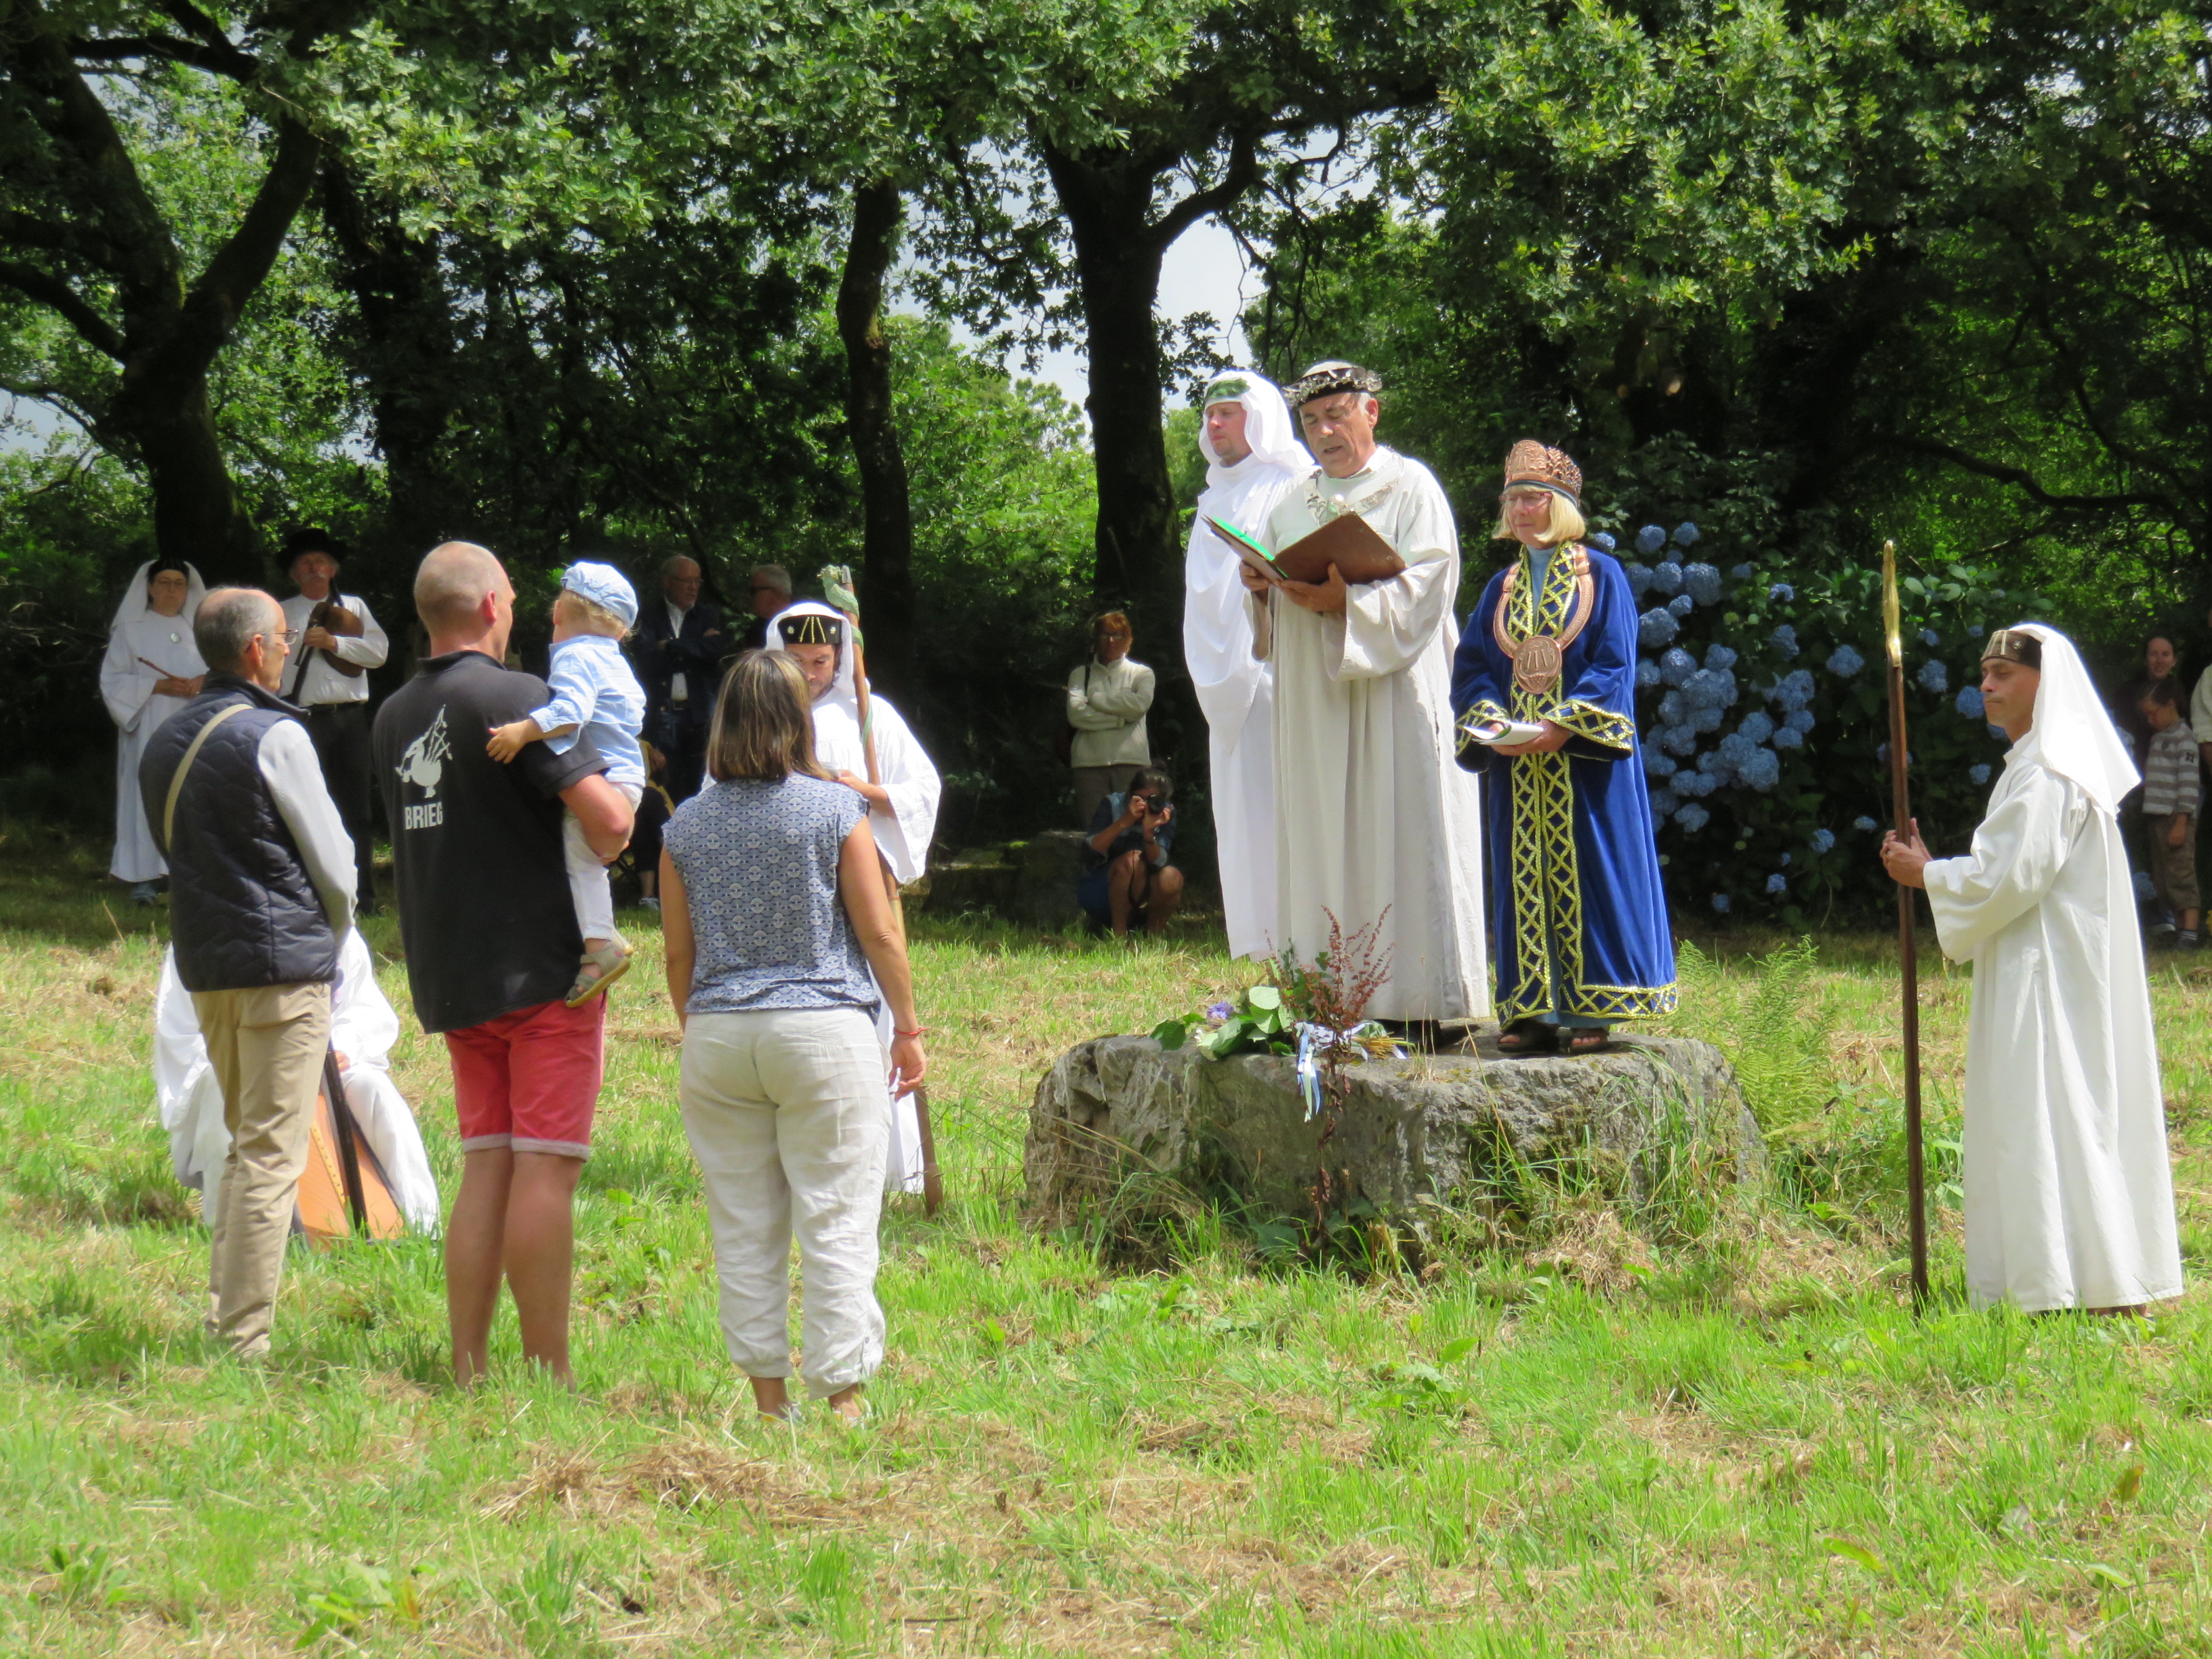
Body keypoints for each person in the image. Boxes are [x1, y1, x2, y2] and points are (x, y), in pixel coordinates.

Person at [374, 541, 636, 1387]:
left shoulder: (391, 716)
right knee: (547, 1167)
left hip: (452, 974)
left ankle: (467, 1363)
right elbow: (607, 825)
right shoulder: (518, 697)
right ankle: (548, 1372)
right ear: (492, 606)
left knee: (486, 1159)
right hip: (546, 973)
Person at [1882, 625, 2183, 1315]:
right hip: (2049, 961)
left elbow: (2012, 875)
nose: (1986, 685)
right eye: (1985, 672)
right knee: (2063, 1107)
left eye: (2003, 674)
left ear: (2045, 684)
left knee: (2050, 1106)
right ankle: (2075, 1276)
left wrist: (1927, 873)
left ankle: (2068, 1283)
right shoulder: (2039, 763)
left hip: (2048, 974)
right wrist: (1935, 873)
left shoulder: (2049, 768)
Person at [660, 650, 926, 1425]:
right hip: (822, 1031)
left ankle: (769, 1400)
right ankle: (843, 1397)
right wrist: (907, 1028)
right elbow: (879, 933)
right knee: (837, 1215)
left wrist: (701, 1024)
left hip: (718, 1032)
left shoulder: (685, 826)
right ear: (797, 720)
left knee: (743, 1220)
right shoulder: (833, 811)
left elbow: (679, 955)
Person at [138, 587, 356, 1356]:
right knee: (271, 1152)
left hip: (206, 964)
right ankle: (242, 1340)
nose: (292, 644)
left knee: (242, 1141)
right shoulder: (276, 735)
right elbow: (336, 866)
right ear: (256, 650)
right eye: (282, 636)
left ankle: (221, 1316)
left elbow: (182, 858)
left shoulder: (164, 742)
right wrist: (332, 939)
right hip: (281, 967)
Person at [1238, 361, 1488, 1033]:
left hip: (1392, 689)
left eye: (1337, 416)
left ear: (1370, 414)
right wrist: (1262, 590)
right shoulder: (1292, 503)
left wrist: (1347, 604)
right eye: (1312, 422)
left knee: (1402, 822)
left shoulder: (1411, 487)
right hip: (1319, 700)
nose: (1325, 432)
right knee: (1323, 828)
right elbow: (1273, 608)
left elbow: (1433, 582)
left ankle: (1421, 1001)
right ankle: (1330, 997)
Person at [1450, 442, 1677, 1053]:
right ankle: (1529, 1009)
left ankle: (1590, 1008)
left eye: (1533, 498)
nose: (1521, 510)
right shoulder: (1500, 588)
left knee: (1592, 871)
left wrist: (1565, 726)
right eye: (1512, 499)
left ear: (1563, 505)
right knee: (1521, 876)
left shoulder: (1603, 574)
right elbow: (1471, 667)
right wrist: (1494, 723)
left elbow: (1613, 663)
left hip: (1582, 762)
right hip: (1517, 769)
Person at [771, 600, 942, 1192]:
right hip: (793, 904)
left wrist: (862, 789)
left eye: (820, 660)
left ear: (840, 658)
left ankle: (894, 1170)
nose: (810, 673)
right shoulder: (759, 720)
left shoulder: (871, 716)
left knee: (878, 1022)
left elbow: (924, 789)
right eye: (796, 661)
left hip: (863, 892)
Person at [155, 926, 440, 1235]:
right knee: (218, 1085)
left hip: (327, 1069)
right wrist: (262, 1062)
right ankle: (231, 1228)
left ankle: (422, 1226)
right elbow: (183, 1037)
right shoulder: (199, 935)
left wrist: (339, 1048)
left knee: (374, 1088)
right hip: (239, 1073)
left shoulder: (333, 927)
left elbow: (365, 1009)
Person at [1183, 369, 1308, 959]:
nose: (1214, 423)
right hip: (1225, 687)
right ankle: (1260, 955)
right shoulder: (1210, 500)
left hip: (1280, 672)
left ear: (1258, 418)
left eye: (1228, 412)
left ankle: (1307, 946)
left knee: (1289, 809)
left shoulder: (1296, 485)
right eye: (1209, 415)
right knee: (1242, 817)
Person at [487, 562, 649, 1004]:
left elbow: (572, 711)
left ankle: (600, 950)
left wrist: (524, 730)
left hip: (603, 776)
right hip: (629, 774)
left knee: (579, 859)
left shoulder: (576, 655)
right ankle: (604, 929)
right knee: (588, 861)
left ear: (562, 611)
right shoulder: (612, 659)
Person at [279, 529, 391, 912]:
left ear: (333, 569)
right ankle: (310, 894)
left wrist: (334, 643)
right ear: (294, 572)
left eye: (321, 562)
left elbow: (378, 653)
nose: (314, 569)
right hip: (303, 719)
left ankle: (365, 896)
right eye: (306, 563)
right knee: (306, 805)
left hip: (351, 719)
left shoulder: (355, 608)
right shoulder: (279, 611)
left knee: (356, 809)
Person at [100, 560, 207, 903]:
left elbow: (223, 669)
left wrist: (202, 682)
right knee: (145, 793)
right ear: (149, 587)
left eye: (179, 583)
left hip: (193, 723)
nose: (172, 589)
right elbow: (113, 680)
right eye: (164, 582)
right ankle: (143, 879)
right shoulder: (130, 629)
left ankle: (187, 876)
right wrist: (158, 686)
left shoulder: (201, 630)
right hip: (147, 722)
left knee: (190, 795)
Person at [632, 555, 728, 802]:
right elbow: (645, 658)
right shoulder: (649, 615)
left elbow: (714, 651)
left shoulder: (708, 615)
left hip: (699, 716)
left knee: (702, 788)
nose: (693, 587)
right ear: (667, 582)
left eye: (697, 581)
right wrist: (695, 646)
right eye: (686, 581)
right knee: (666, 788)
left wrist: (670, 646)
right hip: (662, 716)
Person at [1066, 611, 1155, 829]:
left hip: (1131, 765)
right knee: (1096, 833)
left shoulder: (1142, 674)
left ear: (1128, 640)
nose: (1111, 641)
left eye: (1117, 635)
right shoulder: (1081, 675)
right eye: (1105, 635)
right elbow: (1077, 715)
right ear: (1096, 640)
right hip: (1089, 766)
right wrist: (1118, 721)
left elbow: (1139, 706)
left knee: (1134, 831)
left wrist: (1096, 699)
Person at [1078, 765, 1183, 939]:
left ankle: (1153, 937)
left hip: (1144, 892)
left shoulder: (1166, 813)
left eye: (1153, 800)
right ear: (1130, 794)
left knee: (1172, 876)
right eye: (1141, 799)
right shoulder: (1113, 805)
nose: (1146, 805)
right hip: (1101, 889)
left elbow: (1158, 863)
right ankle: (1119, 937)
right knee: (1132, 860)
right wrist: (1125, 821)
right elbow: (1090, 851)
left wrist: (1149, 833)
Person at [2139, 676, 2201, 949]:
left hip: (2176, 820)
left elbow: (2189, 784)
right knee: (2165, 879)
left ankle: (2190, 934)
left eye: (2154, 712)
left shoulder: (2184, 738)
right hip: (2157, 819)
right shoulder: (2158, 738)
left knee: (2181, 875)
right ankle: (2179, 931)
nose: (2150, 719)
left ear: (2171, 704)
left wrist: (2181, 821)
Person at [735, 563, 794, 653]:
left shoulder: (802, 625)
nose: (749, 596)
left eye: (754, 591)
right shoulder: (797, 623)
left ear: (775, 594)